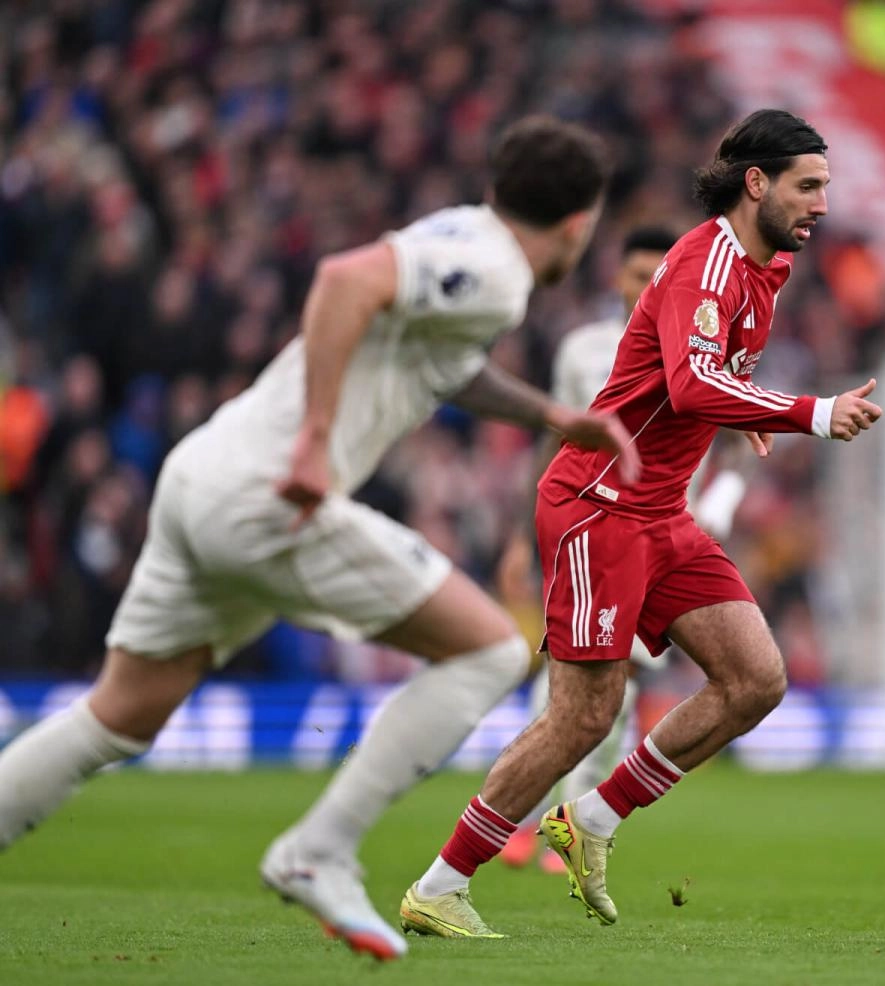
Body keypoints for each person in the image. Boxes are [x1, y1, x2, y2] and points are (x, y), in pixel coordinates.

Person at [0, 116, 636, 962]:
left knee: (119, 714)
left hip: (202, 476)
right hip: (268, 496)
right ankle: (319, 850)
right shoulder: (497, 273)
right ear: (579, 224)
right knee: (488, 649)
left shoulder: (462, 235)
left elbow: (440, 362)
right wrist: (315, 439)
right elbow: (344, 279)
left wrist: (552, 415)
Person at [399, 108, 882, 937]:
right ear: (756, 183)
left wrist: (745, 409)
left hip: (660, 510)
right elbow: (691, 386)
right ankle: (440, 884)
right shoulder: (704, 261)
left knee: (755, 679)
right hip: (599, 506)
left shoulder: (766, 268)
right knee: (583, 716)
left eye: (825, 187)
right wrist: (809, 410)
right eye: (808, 186)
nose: (822, 205)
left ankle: (592, 817)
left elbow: (702, 381)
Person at [494, 226, 754, 873]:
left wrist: (719, 506)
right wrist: (521, 538)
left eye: (659, 276)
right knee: (575, 678)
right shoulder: (583, 349)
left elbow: (734, 443)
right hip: (588, 527)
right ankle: (536, 820)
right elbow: (554, 440)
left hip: (662, 532)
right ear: (619, 279)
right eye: (639, 276)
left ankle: (561, 818)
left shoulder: (705, 342)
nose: (649, 287)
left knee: (614, 682)